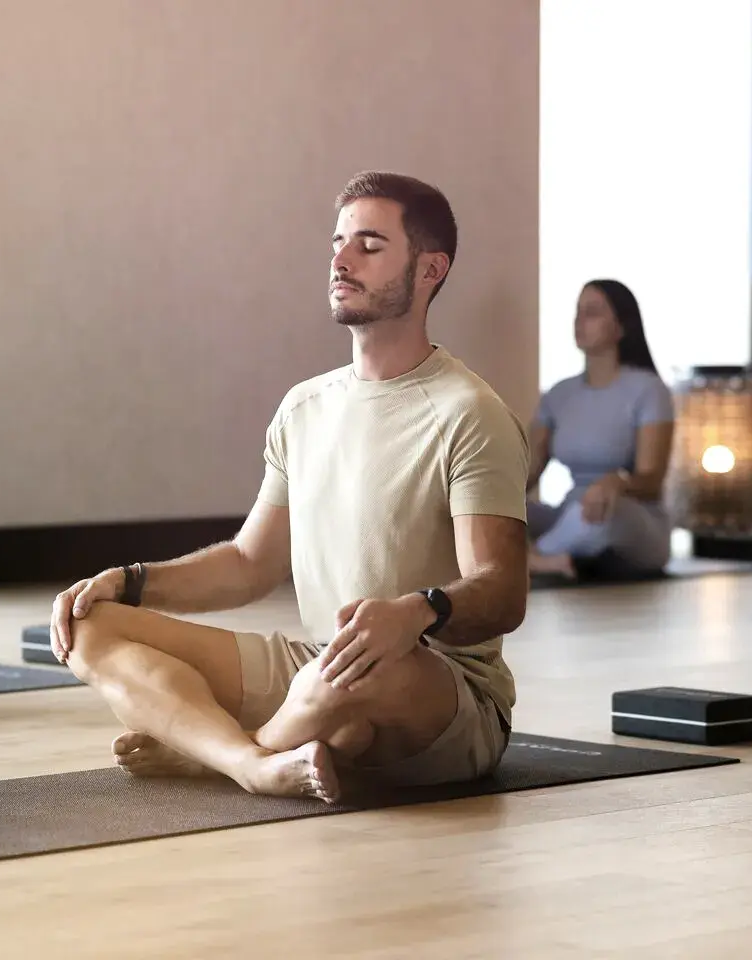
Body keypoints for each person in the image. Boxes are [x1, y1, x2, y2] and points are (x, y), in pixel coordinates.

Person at [49, 172, 530, 804]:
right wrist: (131, 580)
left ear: (430, 269)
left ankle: (225, 756)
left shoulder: (470, 411)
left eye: (370, 244)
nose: (341, 258)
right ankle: (262, 754)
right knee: (91, 627)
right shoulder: (304, 407)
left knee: (365, 675)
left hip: (435, 686)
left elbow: (501, 590)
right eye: (338, 241)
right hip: (320, 668)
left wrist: (417, 610)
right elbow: (250, 563)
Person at [525, 279, 675, 581]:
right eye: (577, 312)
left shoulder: (648, 390)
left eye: (592, 313)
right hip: (568, 514)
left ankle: (528, 560)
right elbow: (526, 474)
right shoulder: (559, 395)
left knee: (598, 515)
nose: (580, 321)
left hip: (630, 517)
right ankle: (542, 558)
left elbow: (652, 481)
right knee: (482, 511)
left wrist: (616, 482)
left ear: (621, 326)